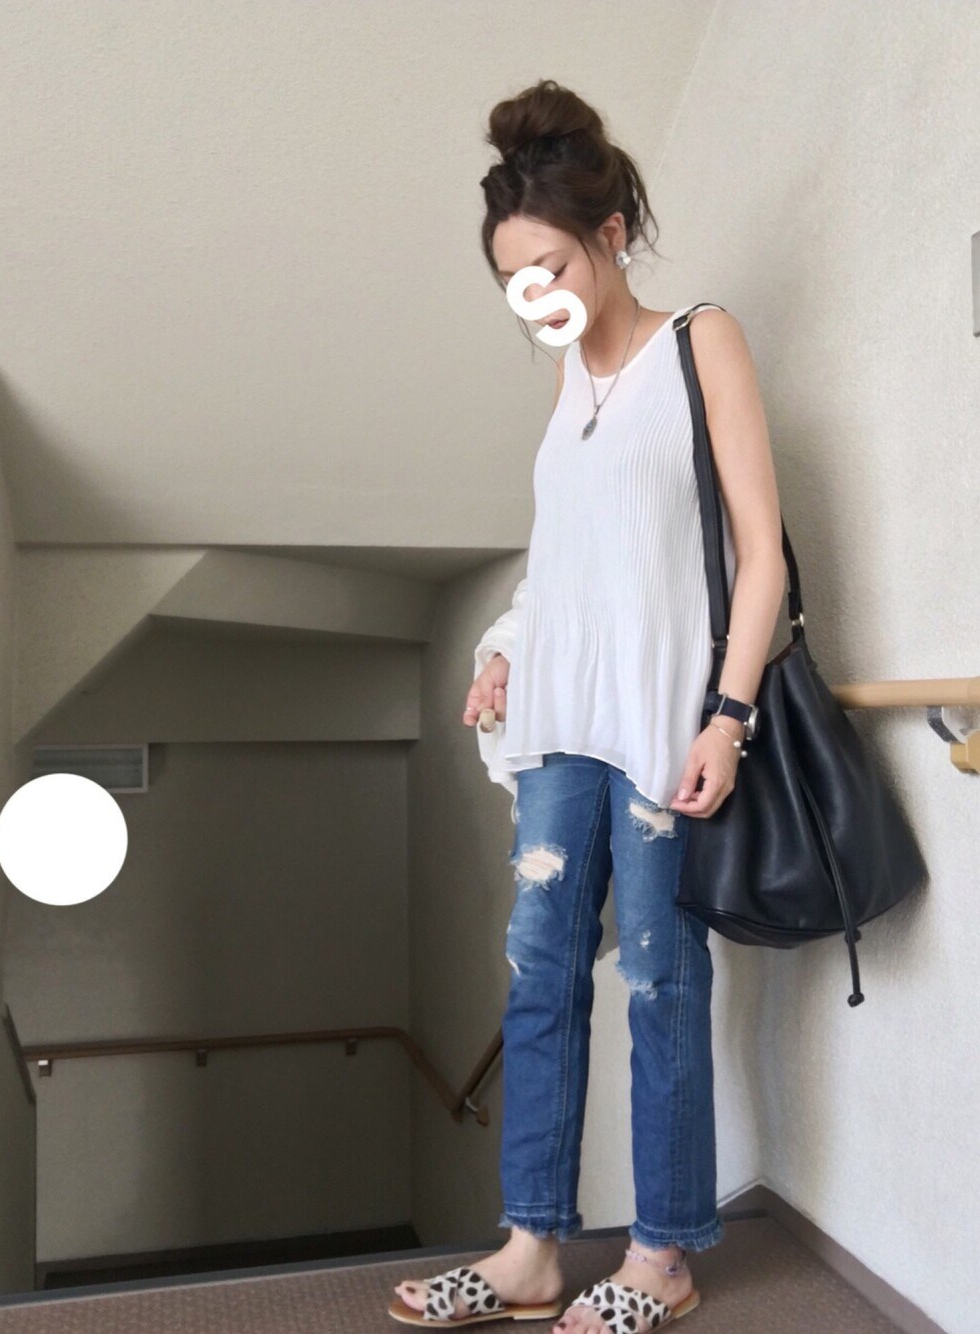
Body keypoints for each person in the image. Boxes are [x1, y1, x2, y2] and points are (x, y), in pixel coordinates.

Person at [389, 78, 785, 1334]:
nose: (536, 296)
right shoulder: (570, 384)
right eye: (515, 281)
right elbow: (562, 564)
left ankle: (663, 1253)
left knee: (662, 977)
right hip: (558, 720)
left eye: (550, 266)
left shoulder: (699, 342)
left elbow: (760, 555)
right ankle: (530, 1248)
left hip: (663, 718)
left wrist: (726, 714)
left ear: (610, 233)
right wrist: (507, 650)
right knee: (539, 977)